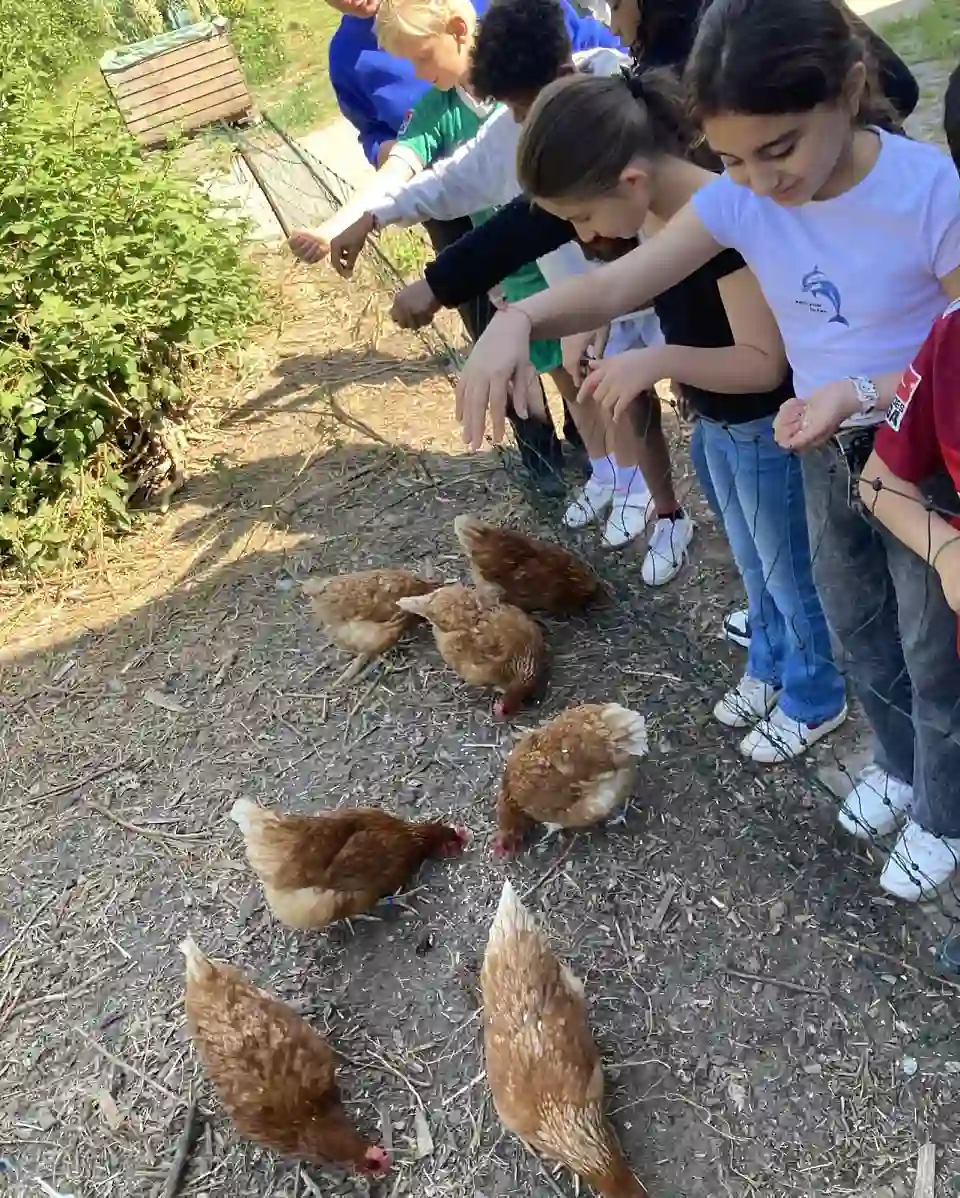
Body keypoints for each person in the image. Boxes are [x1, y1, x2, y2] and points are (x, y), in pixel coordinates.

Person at [451, 0, 960, 899]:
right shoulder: (744, 200)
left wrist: (872, 395)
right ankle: (899, 761)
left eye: (781, 149)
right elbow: (621, 280)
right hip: (821, 442)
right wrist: (520, 315)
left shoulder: (930, 193)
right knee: (855, 622)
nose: (761, 183)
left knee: (933, 646)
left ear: (848, 92)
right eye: (729, 159)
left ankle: (944, 809)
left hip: (925, 457)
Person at [514, 70, 847, 758]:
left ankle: (817, 694)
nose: (585, 235)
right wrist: (608, 324)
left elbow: (762, 361)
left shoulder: (720, 223)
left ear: (628, 181)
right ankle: (770, 662)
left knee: (787, 572)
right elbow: (651, 294)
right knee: (753, 567)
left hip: (764, 424)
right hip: (717, 423)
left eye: (581, 216)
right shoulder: (664, 213)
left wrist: (659, 360)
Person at [319, 0, 668, 551]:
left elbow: (536, 223)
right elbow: (463, 184)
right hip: (605, 300)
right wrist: (375, 217)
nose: (521, 124)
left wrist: (441, 284)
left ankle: (660, 504)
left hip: (651, 294)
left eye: (521, 109)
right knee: (623, 390)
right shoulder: (518, 124)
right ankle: (638, 491)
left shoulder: (615, 95)